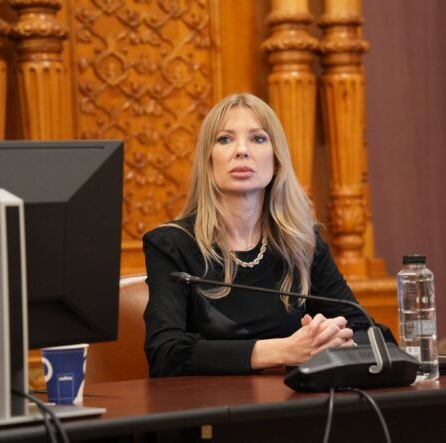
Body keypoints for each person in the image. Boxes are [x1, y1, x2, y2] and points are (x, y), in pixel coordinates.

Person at [143, 93, 383, 377]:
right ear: (208, 162)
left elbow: (367, 331)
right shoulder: (171, 245)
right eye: (225, 139)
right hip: (212, 411)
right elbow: (165, 353)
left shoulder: (302, 242)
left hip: (295, 404)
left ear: (277, 160)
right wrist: (284, 351)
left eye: (258, 138)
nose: (242, 150)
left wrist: (330, 337)